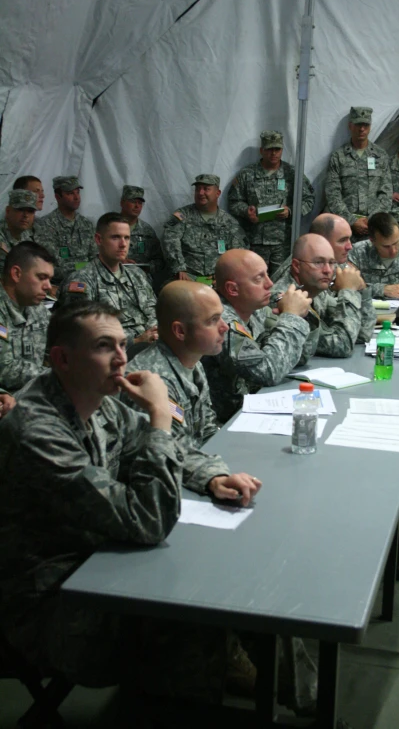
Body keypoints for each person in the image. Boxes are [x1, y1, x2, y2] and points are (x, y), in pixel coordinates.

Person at [0, 300, 258, 701]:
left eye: (123, 345)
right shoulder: (36, 431)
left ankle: (299, 698)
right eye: (105, 347)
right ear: (62, 358)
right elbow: (148, 520)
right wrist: (159, 413)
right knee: (196, 614)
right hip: (51, 603)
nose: (122, 358)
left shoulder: (97, 401)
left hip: (99, 562)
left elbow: (164, 446)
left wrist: (213, 477)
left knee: (235, 580)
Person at [125, 280, 261, 489]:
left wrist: (235, 458)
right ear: (180, 331)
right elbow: (170, 452)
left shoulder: (192, 360)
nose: (224, 327)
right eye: (213, 320)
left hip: (196, 467)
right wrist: (216, 476)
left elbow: (206, 427)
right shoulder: (152, 381)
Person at [203, 249, 316, 423]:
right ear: (232, 289)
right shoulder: (221, 323)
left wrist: (300, 315)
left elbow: (300, 355)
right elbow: (269, 372)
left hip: (251, 410)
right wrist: (292, 317)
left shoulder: (255, 309)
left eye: (267, 275)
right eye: (258, 278)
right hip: (224, 423)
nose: (270, 283)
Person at [59, 212, 158, 348]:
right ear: (99, 240)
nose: (123, 244)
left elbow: (153, 309)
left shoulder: (137, 274)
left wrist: (156, 332)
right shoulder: (82, 281)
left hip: (150, 345)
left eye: (127, 238)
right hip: (114, 353)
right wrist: (136, 341)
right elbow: (83, 335)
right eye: (116, 237)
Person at [270, 233, 375, 353]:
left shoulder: (316, 290)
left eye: (331, 263)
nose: (328, 270)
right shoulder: (283, 299)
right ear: (297, 266)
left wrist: (362, 290)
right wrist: (348, 291)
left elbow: (362, 334)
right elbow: (342, 345)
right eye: (318, 262)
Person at [227, 132, 314, 275]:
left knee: (281, 282)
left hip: (283, 242)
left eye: (277, 149)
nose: (273, 153)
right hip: (254, 241)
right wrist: (246, 212)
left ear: (282, 150)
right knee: (254, 280)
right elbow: (234, 201)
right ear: (261, 150)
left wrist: (290, 211)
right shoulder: (247, 174)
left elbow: (309, 199)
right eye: (269, 149)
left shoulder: (292, 174)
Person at [324, 106, 392, 242]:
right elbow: (333, 194)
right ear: (350, 126)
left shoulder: (380, 156)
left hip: (373, 228)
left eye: (365, 125)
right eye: (358, 124)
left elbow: (386, 194)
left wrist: (371, 220)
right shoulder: (338, 157)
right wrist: (352, 221)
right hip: (344, 228)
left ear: (370, 127)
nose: (362, 129)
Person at [163, 174, 247, 283]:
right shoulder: (182, 215)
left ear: (218, 193)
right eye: (198, 189)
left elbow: (238, 252)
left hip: (217, 279)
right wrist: (179, 268)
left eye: (206, 189)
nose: (201, 193)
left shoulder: (229, 222)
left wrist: (227, 274)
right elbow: (169, 240)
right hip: (188, 276)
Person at [0, 241, 54, 393]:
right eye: (41, 277)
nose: (48, 286)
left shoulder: (38, 309)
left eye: (50, 279)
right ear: (16, 274)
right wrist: (59, 375)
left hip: (33, 392)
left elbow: (59, 346)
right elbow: (4, 370)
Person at [348, 211, 399, 299]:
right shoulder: (357, 253)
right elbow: (346, 287)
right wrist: (382, 290)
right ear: (372, 240)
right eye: (386, 246)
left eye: (396, 243)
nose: (393, 251)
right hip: (366, 310)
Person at [36, 175, 97, 285]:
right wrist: (84, 266)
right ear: (58, 197)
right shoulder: (46, 224)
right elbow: (54, 266)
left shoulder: (87, 224)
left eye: (77, 192)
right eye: (70, 193)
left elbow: (95, 258)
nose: (76, 197)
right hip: (59, 286)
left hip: (89, 282)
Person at [271, 213, 354, 282]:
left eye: (349, 239)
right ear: (321, 241)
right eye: (342, 240)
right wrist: (346, 290)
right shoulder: (301, 272)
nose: (349, 247)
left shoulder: (327, 262)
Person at [119, 184, 164, 283]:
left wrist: (147, 268)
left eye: (140, 203)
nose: (137, 206)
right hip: (114, 278)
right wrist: (116, 262)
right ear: (122, 203)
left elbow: (159, 260)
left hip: (141, 281)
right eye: (132, 202)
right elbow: (96, 255)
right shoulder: (110, 226)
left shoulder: (146, 231)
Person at [0, 190, 38, 274]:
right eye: (20, 209)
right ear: (8, 211)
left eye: (30, 211)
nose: (25, 215)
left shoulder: (28, 237)